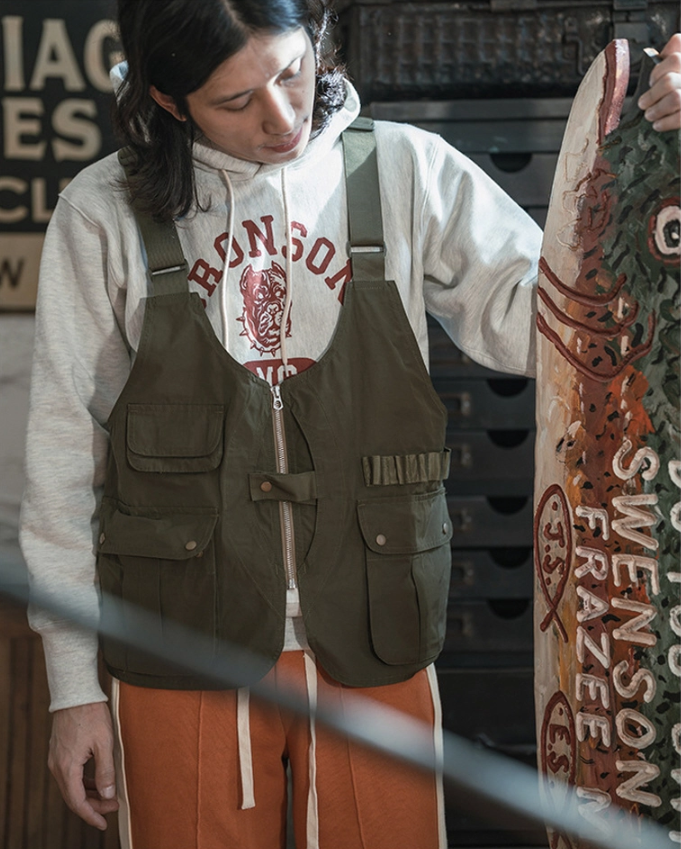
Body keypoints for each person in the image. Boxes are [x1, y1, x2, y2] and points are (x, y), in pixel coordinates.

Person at [20, 0, 681, 846]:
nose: (281, 116)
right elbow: (62, 455)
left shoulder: (407, 170)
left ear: (317, 39)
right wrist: (73, 686)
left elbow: (558, 334)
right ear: (168, 98)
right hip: (176, 641)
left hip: (378, 629)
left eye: (291, 72)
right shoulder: (101, 209)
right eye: (236, 100)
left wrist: (658, 168)